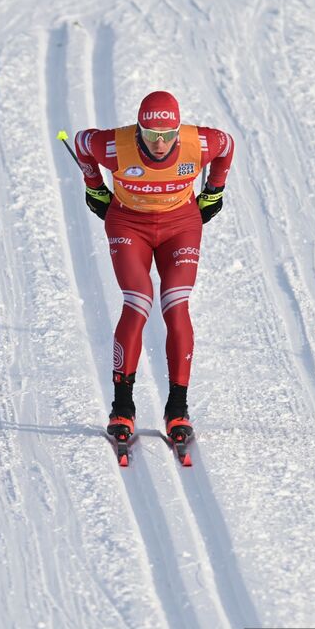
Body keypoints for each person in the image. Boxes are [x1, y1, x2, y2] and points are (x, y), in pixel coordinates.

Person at [73, 90, 234, 448]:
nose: (159, 144)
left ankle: (178, 407)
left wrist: (214, 192)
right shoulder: (113, 145)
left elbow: (227, 146)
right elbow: (82, 143)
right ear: (138, 131)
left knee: (176, 306)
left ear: (178, 130)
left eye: (167, 135)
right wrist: (94, 186)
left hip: (181, 225)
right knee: (138, 301)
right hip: (129, 225)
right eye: (149, 135)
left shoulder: (201, 142)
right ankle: (122, 408)